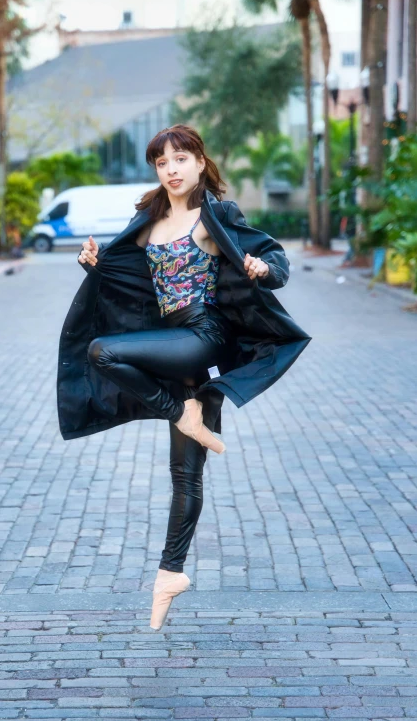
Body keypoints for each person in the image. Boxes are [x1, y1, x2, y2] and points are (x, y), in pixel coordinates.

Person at [57, 124, 311, 630]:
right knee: (184, 475)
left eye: (179, 159)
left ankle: (183, 414)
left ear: (199, 161)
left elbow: (276, 258)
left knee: (101, 351)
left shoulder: (217, 213)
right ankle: (170, 574)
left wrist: (263, 270)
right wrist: (94, 265)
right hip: (171, 343)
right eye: (161, 162)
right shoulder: (147, 218)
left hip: (204, 336)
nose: (170, 170)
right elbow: (126, 279)